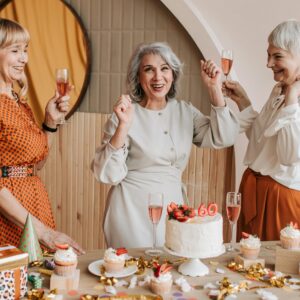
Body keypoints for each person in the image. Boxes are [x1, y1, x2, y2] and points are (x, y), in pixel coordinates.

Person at [93, 42, 239, 248]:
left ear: (173, 74)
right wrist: (123, 125)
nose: (158, 77)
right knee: (136, 273)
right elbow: (107, 173)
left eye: (164, 69)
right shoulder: (125, 114)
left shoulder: (185, 111)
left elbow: (225, 136)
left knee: (170, 273)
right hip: (130, 211)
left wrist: (214, 88)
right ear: (138, 77)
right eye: (148, 70)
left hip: (174, 210)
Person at [0, 18, 84, 254]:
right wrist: (44, 232)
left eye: (25, 50)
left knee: (38, 285)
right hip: (8, 216)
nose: (24, 58)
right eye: (15, 51)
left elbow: (37, 164)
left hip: (34, 204)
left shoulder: (19, 103)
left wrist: (50, 121)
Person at [224, 20, 300, 241]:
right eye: (269, 55)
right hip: (253, 190)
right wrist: (244, 102)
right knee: (247, 266)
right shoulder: (279, 90)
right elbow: (259, 140)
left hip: (281, 199)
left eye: (277, 56)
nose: (269, 64)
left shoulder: (291, 97)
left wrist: (292, 100)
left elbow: (289, 156)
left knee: (274, 272)